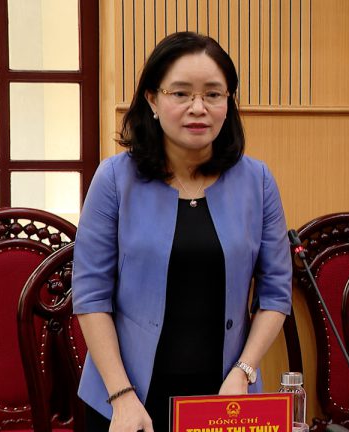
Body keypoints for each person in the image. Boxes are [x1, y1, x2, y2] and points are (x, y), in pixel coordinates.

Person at [72, 31, 292, 432]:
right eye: (181, 94)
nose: (198, 108)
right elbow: (91, 296)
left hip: (226, 394)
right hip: (127, 398)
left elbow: (276, 294)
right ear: (153, 100)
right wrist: (121, 396)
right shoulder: (115, 179)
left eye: (213, 94)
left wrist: (243, 372)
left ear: (228, 102)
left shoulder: (257, 181)